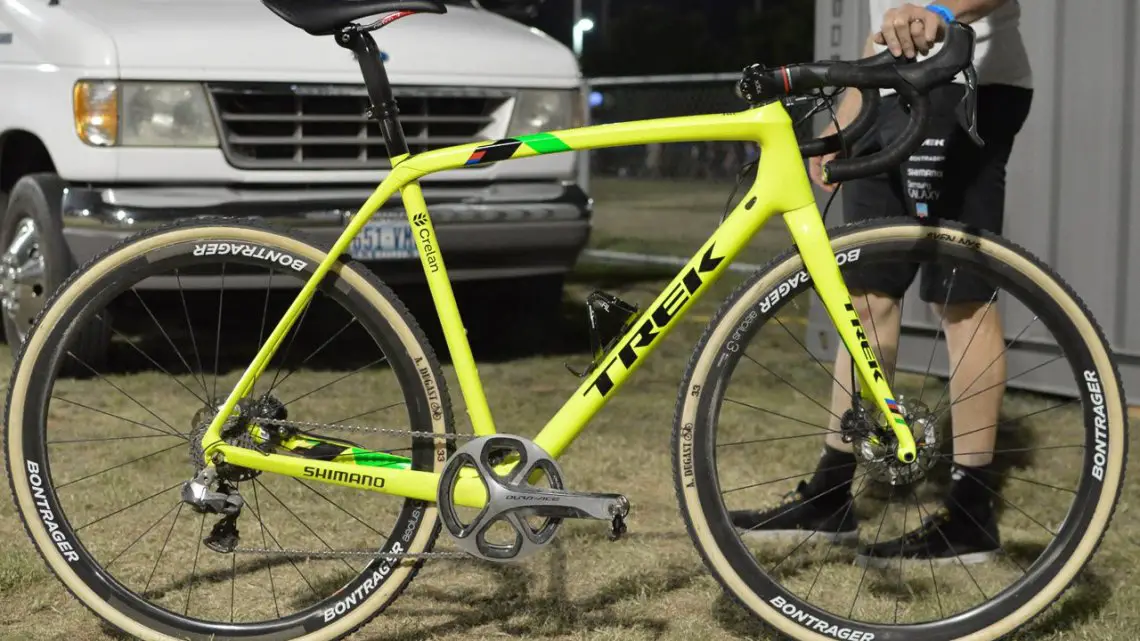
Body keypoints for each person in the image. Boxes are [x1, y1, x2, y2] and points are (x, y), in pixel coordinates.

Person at [730, 0, 1033, 566]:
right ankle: (830, 494)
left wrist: (942, 9)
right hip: (887, 89)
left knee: (961, 298)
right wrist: (850, 109)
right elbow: (884, 16)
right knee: (866, 300)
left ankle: (971, 512)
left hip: (967, 82)